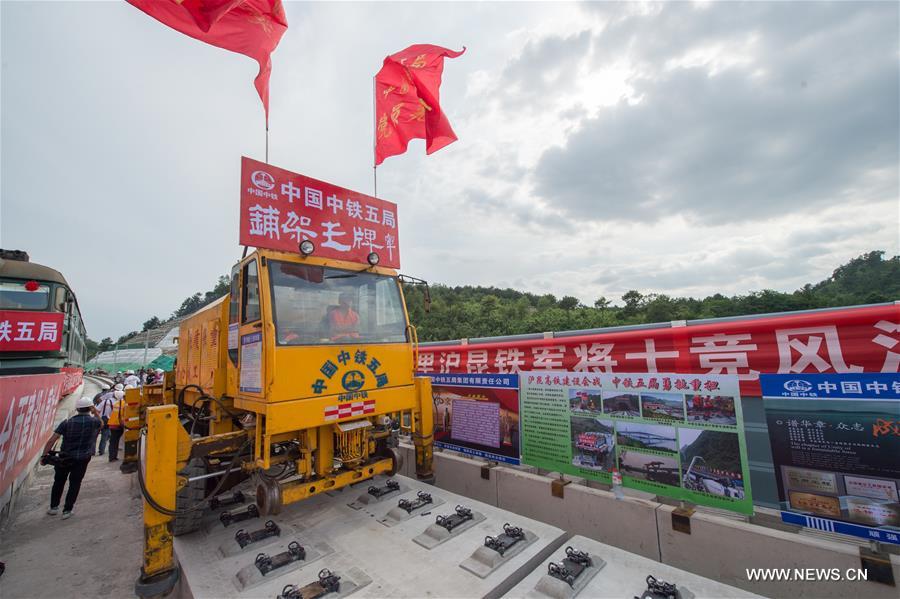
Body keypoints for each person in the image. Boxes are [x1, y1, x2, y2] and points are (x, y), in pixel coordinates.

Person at [42, 396, 101, 519]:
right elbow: (102, 423)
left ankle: (53, 507)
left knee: (58, 482)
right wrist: (95, 411)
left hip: (65, 458)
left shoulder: (67, 423)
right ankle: (67, 510)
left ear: (77, 409)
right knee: (75, 483)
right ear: (90, 408)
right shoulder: (94, 422)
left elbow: (52, 440)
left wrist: (44, 456)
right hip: (83, 458)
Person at [95, 387, 116, 455]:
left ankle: (92, 451)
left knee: (94, 436)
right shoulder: (116, 403)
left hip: (99, 420)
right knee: (104, 436)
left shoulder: (104, 401)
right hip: (108, 421)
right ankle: (101, 451)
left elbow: (97, 410)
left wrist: (99, 418)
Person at [106, 389, 126, 462]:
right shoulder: (124, 404)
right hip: (118, 425)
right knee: (115, 442)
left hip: (112, 424)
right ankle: (113, 457)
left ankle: (112, 456)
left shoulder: (116, 403)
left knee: (113, 441)